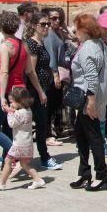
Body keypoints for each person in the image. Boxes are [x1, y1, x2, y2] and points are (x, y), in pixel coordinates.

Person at [0, 11, 47, 169]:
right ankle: (6, 165)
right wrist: (40, 91)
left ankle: (14, 154)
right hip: (21, 90)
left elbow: (4, 72)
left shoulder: (5, 46)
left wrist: (1, 97)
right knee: (9, 129)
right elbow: (30, 71)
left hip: (8, 91)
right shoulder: (24, 45)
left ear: (1, 27)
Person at [69, 13, 107, 192]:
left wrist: (92, 101)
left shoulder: (88, 48)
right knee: (81, 135)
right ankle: (84, 172)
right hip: (96, 97)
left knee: (94, 137)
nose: (74, 32)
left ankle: (102, 175)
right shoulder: (100, 44)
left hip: (89, 99)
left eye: (76, 29)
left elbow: (92, 78)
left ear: (84, 30)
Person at [0, 86, 46, 190]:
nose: (11, 104)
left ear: (20, 101)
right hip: (26, 144)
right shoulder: (28, 111)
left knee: (8, 160)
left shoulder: (20, 113)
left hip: (19, 144)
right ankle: (38, 180)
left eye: (13, 102)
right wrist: (12, 110)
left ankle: (2, 183)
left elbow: (12, 124)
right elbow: (18, 115)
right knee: (24, 164)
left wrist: (9, 112)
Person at [24, 14, 61, 169]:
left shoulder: (40, 43)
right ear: (34, 25)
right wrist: (40, 91)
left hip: (42, 89)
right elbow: (30, 70)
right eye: (43, 24)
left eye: (47, 24)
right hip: (35, 90)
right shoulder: (32, 44)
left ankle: (43, 156)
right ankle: (44, 157)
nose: (46, 26)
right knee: (39, 124)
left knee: (41, 124)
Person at [43, 8, 68, 141]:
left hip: (58, 71)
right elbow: (51, 56)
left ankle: (53, 131)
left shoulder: (57, 33)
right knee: (51, 104)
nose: (57, 21)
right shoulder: (49, 35)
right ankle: (48, 133)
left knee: (56, 103)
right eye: (53, 18)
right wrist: (55, 75)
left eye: (59, 18)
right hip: (52, 74)